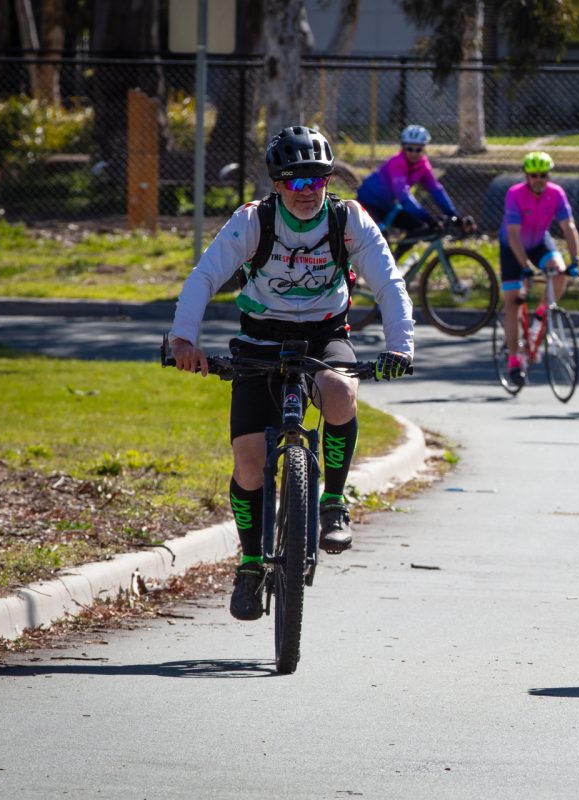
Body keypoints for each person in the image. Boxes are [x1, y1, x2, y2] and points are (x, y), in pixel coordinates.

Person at [168, 125, 415, 621]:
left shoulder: (349, 220)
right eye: (296, 183)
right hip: (259, 337)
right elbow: (205, 276)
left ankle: (334, 502)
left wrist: (400, 347)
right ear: (277, 185)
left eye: (317, 181)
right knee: (249, 459)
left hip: (325, 332)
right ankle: (251, 562)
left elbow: (388, 281)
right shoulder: (252, 222)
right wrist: (183, 340)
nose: (308, 192)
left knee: (339, 390)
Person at [499, 151, 579, 387]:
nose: (539, 179)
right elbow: (513, 234)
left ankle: (539, 320)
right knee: (513, 302)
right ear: (527, 175)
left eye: (543, 175)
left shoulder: (556, 193)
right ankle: (514, 359)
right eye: (534, 175)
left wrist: (575, 261)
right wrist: (525, 267)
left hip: (539, 242)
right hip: (512, 247)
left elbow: (569, 227)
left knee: (560, 271)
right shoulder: (515, 194)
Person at [356, 124, 463, 255]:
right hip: (367, 205)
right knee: (382, 238)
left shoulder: (423, 165)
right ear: (403, 147)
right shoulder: (397, 162)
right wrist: (428, 217)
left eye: (418, 149)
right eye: (409, 148)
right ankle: (378, 269)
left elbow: (436, 190)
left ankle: (394, 262)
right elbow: (403, 196)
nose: (413, 153)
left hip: (387, 207)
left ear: (424, 149)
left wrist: (454, 214)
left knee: (419, 227)